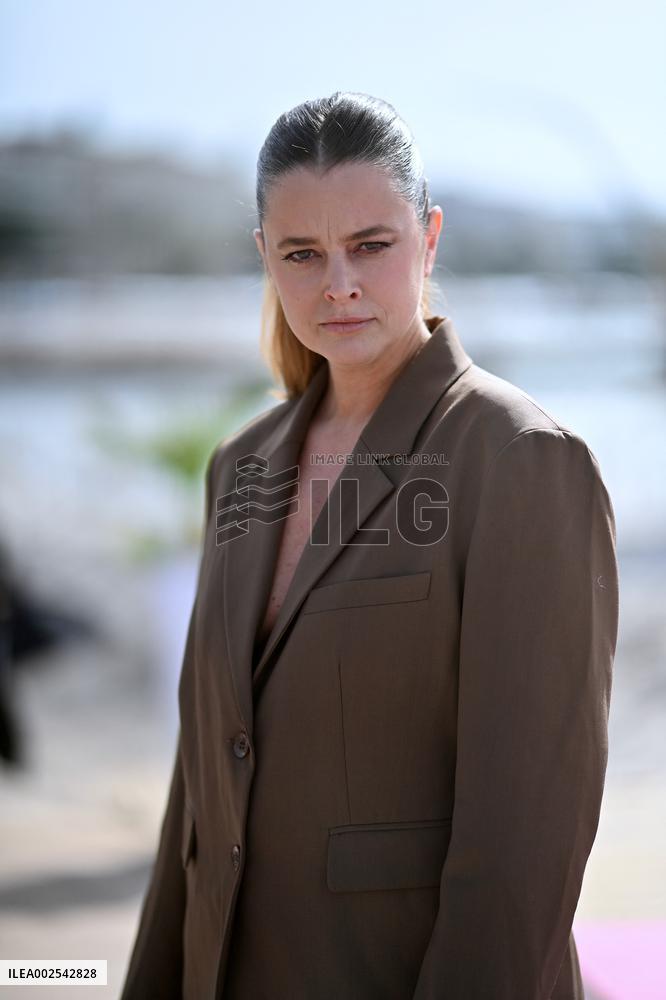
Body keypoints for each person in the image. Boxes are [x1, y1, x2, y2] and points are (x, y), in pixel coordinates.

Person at [120, 92, 619, 1000]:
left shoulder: (520, 458)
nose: (337, 283)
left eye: (371, 245)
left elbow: (524, 834)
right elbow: (198, 794)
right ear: (264, 257)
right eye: (301, 254)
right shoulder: (240, 466)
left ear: (428, 239)